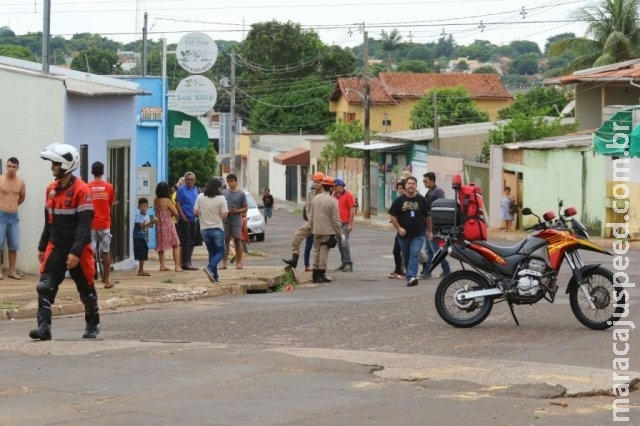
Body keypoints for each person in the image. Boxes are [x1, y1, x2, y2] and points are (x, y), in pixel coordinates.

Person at [30, 143, 100, 340]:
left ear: (66, 165)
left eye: (55, 163)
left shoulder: (82, 190)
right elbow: (48, 221)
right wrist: (42, 246)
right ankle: (44, 328)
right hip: (56, 245)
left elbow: (85, 226)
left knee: (86, 289)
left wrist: (76, 252)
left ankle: (92, 324)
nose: (52, 167)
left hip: (78, 247)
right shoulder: (51, 189)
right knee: (44, 286)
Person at [388, 176, 429, 287]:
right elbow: (392, 216)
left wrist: (430, 231)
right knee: (406, 256)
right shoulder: (399, 200)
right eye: (409, 183)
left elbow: (428, 217)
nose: (411, 185)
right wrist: (399, 228)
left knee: (414, 253)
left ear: (416, 186)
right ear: (405, 186)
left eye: (413, 184)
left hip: (418, 234)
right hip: (403, 235)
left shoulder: (422, 200)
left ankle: (412, 277)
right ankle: (409, 274)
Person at [282, 172, 325, 269]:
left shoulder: (325, 195)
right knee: (297, 235)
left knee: (319, 248)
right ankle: (294, 260)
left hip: (321, 225)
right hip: (311, 223)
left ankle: (319, 269)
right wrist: (310, 220)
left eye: (319, 182)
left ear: (323, 182)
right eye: (315, 182)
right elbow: (308, 209)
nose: (317, 184)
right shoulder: (310, 195)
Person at [308, 176, 343, 283]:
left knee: (316, 251)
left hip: (316, 230)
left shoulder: (315, 199)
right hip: (327, 231)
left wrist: (312, 227)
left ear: (323, 186)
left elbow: (311, 215)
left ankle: (315, 275)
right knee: (324, 253)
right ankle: (321, 274)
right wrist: (339, 232)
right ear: (332, 188)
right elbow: (336, 219)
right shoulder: (333, 201)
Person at [87, 161, 116, 288]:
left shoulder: (87, 187)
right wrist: (110, 219)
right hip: (104, 223)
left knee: (90, 252)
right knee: (105, 251)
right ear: (103, 172)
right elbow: (110, 206)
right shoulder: (109, 187)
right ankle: (107, 280)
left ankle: (90, 280)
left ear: (92, 172)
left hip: (91, 223)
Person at [194, 178, 228, 283]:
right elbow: (223, 215)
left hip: (204, 229)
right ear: (218, 188)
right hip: (217, 228)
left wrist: (202, 213)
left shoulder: (200, 196)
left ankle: (215, 277)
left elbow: (194, 212)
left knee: (212, 252)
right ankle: (209, 267)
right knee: (221, 252)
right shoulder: (221, 198)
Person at [420, 172, 451, 279]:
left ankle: (446, 270)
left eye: (425, 180)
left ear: (432, 180)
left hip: (433, 226)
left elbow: (440, 207)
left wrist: (434, 225)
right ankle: (427, 271)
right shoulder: (430, 191)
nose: (424, 182)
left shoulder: (438, 191)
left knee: (435, 250)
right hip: (427, 224)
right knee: (429, 250)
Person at [0, 156, 26, 280]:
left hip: (14, 217)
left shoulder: (20, 182)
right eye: (9, 166)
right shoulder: (0, 179)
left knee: (14, 245)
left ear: (17, 168)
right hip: (1, 216)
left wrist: (13, 206)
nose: (11, 169)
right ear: (6, 166)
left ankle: (12, 271)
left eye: (13, 167)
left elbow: (21, 198)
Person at [154, 182, 183, 272]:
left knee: (161, 246)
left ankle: (162, 265)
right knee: (176, 244)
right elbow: (175, 213)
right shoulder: (167, 201)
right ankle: (177, 266)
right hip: (168, 224)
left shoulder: (156, 200)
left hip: (159, 225)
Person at [221, 174, 248, 269]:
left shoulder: (241, 194)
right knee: (225, 241)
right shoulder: (223, 193)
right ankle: (224, 263)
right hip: (225, 220)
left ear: (236, 182)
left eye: (232, 181)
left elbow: (245, 208)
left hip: (236, 221)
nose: (230, 183)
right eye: (228, 181)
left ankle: (239, 262)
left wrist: (237, 211)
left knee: (237, 240)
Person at [175, 171, 199, 270]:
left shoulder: (196, 189)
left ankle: (188, 262)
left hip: (194, 219)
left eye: (191, 180)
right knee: (185, 242)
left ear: (194, 181)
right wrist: (183, 217)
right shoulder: (181, 190)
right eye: (188, 179)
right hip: (185, 219)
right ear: (185, 180)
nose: (190, 181)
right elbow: (178, 204)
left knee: (192, 242)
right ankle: (185, 263)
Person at [332, 178, 356, 272]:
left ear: (341, 186)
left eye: (336, 186)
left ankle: (349, 263)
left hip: (345, 224)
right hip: (337, 224)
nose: (334, 188)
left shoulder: (348, 195)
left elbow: (352, 209)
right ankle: (344, 262)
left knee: (344, 242)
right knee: (339, 244)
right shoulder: (333, 196)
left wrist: (350, 223)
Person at [387, 180, 406, 279]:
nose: (400, 190)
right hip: (400, 230)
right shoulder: (398, 200)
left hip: (410, 230)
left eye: (402, 188)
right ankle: (398, 270)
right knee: (396, 250)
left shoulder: (410, 200)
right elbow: (393, 213)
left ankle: (423, 263)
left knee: (410, 252)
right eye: (399, 188)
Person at [133, 197, 153, 276]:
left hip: (143, 237)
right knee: (141, 253)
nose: (143, 208)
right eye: (141, 206)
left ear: (147, 207)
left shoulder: (147, 216)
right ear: (138, 207)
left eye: (145, 206)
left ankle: (141, 269)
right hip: (138, 237)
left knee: (144, 252)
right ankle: (140, 270)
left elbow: (146, 228)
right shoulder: (138, 216)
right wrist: (151, 222)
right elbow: (141, 226)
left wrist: (147, 237)